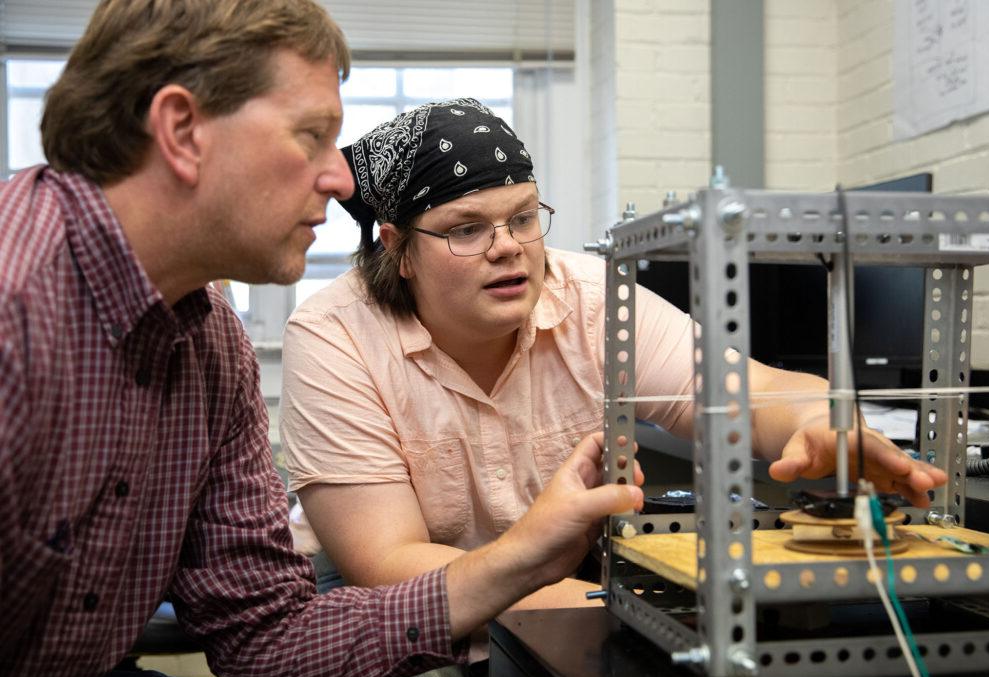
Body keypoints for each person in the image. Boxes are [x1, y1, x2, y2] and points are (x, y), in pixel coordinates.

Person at [0, 2, 645, 677]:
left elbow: (266, 637)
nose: (341, 180)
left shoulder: (212, 344)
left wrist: (521, 560)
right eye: (311, 136)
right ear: (183, 131)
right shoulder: (17, 306)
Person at [279, 100, 949, 611]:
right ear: (397, 249)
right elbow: (387, 562)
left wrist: (823, 423)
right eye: (467, 229)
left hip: (552, 595)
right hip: (392, 616)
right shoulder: (334, 336)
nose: (509, 246)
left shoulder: (592, 298)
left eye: (520, 218)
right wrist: (619, 607)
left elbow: (741, 388)